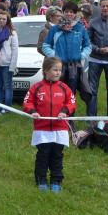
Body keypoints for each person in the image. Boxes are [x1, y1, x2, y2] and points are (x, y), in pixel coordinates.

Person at [23, 57, 76, 192]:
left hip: (60, 129)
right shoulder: (36, 87)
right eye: (55, 70)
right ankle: (41, 179)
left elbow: (71, 102)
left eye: (60, 70)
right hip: (42, 129)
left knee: (57, 155)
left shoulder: (64, 88)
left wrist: (65, 111)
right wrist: (33, 111)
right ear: (46, 71)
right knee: (43, 155)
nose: (58, 72)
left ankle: (56, 181)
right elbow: (28, 102)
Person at [42, 1, 91, 98]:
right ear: (63, 13)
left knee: (71, 93)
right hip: (58, 66)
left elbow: (88, 46)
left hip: (74, 66)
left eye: (72, 12)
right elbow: (45, 46)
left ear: (75, 14)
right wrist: (55, 56)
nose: (69, 14)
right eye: (67, 11)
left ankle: (70, 108)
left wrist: (81, 55)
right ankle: (57, 107)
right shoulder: (55, 29)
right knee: (57, 92)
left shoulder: (80, 28)